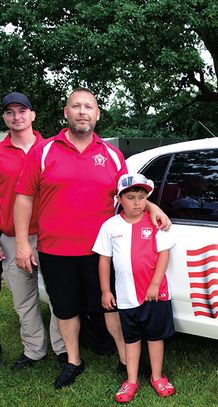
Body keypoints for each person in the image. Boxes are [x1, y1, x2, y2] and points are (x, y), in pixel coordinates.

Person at [13, 88, 171, 389]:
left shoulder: (111, 155)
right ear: (66, 112)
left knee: (110, 306)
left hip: (103, 252)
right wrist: (22, 243)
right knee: (65, 309)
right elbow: (24, 197)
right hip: (55, 250)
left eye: (89, 107)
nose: (82, 111)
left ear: (97, 114)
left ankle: (126, 359)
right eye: (76, 106)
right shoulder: (44, 151)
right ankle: (73, 360)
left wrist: (153, 207)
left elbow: (130, 192)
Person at [93, 173, 176, 403]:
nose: (137, 203)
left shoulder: (156, 222)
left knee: (155, 337)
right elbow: (104, 260)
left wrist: (155, 284)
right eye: (131, 198)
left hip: (154, 295)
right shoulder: (110, 226)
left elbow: (164, 254)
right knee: (131, 338)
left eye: (142, 197)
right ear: (119, 199)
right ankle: (131, 380)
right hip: (127, 296)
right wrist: (105, 291)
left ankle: (157, 376)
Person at [0, 92, 66, 371]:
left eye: (22, 111)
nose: (17, 117)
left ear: (32, 115)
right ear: (4, 117)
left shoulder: (52, 149)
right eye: (10, 112)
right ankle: (34, 350)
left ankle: (63, 347)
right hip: (12, 237)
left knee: (58, 295)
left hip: (51, 234)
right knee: (24, 299)